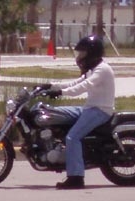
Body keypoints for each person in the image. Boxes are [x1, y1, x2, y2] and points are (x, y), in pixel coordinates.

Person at [45, 34, 115, 190]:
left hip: (100, 110)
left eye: (83, 53)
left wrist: (61, 93)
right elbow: (75, 83)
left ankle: (76, 178)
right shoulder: (93, 69)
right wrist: (51, 86)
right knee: (56, 113)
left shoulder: (102, 70)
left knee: (73, 137)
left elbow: (83, 87)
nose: (80, 57)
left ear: (92, 53)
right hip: (89, 108)